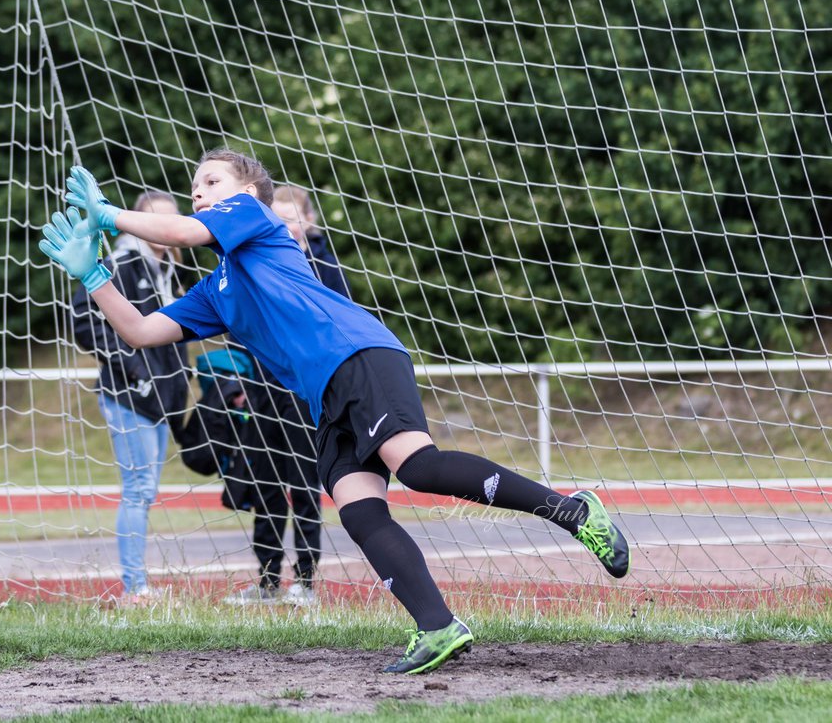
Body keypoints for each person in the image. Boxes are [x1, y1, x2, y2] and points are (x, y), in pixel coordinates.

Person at [40, 149, 630, 675]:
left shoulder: (253, 217)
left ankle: (574, 512)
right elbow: (142, 330)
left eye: (210, 181)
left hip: (360, 355)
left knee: (418, 469)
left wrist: (110, 215)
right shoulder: (217, 287)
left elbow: (187, 228)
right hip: (328, 395)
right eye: (194, 184)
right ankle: (438, 626)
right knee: (358, 506)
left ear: (243, 193)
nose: (199, 191)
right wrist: (94, 275)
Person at [222, 185, 347, 607]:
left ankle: (307, 580)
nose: (285, 223)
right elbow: (242, 328)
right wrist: (238, 385)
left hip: (304, 394)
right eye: (277, 215)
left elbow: (338, 326)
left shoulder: (326, 268)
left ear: (309, 220)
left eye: (292, 215)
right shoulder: (253, 264)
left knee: (304, 485)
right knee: (266, 487)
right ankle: (268, 580)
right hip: (261, 394)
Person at [69, 190, 189, 606]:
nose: (163, 227)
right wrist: (133, 368)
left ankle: (138, 583)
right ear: (135, 221)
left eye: (171, 218)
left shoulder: (167, 269)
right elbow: (85, 322)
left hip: (160, 397)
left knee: (147, 488)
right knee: (137, 488)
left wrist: (177, 382)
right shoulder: (121, 261)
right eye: (155, 217)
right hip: (129, 394)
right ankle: (134, 588)